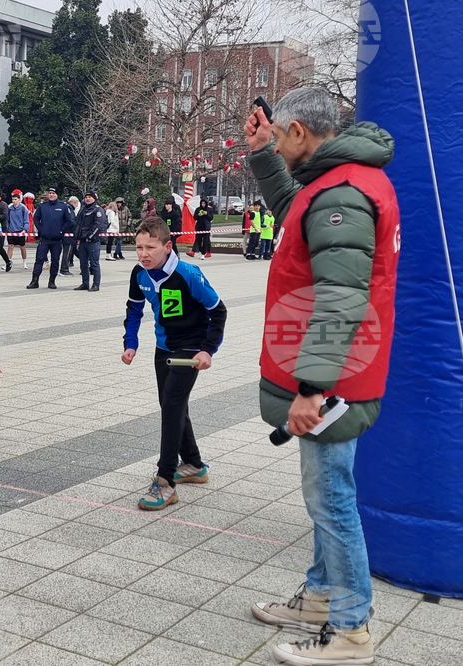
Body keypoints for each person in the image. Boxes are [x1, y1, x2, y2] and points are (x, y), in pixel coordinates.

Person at [244, 86, 400, 665]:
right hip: (340, 369)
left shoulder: (345, 193)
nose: (278, 144)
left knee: (331, 499)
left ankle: (350, 629)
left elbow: (340, 296)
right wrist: (263, 153)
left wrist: (312, 387)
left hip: (335, 377)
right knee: (328, 496)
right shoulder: (336, 186)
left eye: (279, 135)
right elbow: (296, 217)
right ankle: (319, 597)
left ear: (302, 134)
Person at [122, 217, 227, 510]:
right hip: (163, 347)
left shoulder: (187, 273)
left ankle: (165, 481)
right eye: (139, 247)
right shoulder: (139, 273)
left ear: (168, 247)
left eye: (150, 248)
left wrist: (208, 350)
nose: (143, 254)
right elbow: (133, 309)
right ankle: (193, 464)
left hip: (190, 348)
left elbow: (218, 311)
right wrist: (130, 343)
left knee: (171, 406)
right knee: (170, 404)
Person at [27, 188, 73, 290]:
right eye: (50, 193)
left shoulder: (63, 206)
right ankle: (34, 281)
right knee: (39, 260)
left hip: (56, 240)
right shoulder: (43, 206)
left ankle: (52, 281)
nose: (51, 195)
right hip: (44, 239)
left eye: (53, 193)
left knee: (55, 261)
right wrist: (40, 229)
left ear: (57, 195)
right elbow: (36, 218)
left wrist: (62, 231)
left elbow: (68, 220)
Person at [72, 192, 107, 291]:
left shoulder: (98, 210)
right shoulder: (83, 209)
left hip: (93, 241)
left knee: (94, 264)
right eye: (86, 197)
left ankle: (96, 284)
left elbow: (98, 225)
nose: (87, 199)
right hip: (83, 241)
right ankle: (85, 283)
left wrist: (90, 236)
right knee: (83, 264)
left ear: (94, 198)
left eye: (90, 197)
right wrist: (77, 235)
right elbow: (78, 224)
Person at [6, 192, 29, 270]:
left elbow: (26, 220)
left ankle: (24, 262)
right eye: (13, 199)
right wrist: (8, 229)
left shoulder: (23, 208)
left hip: (20, 231)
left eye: (15, 199)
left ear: (19, 200)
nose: (14, 201)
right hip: (11, 230)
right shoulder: (10, 208)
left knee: (22, 247)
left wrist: (24, 230)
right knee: (10, 246)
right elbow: (8, 220)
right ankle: (8, 262)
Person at [60, 196, 80, 275]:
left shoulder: (66, 208)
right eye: (77, 203)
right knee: (67, 252)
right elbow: (71, 221)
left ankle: (86, 262)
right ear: (73, 202)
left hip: (67, 234)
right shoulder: (69, 209)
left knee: (74, 250)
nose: (77, 205)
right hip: (69, 234)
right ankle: (64, 269)